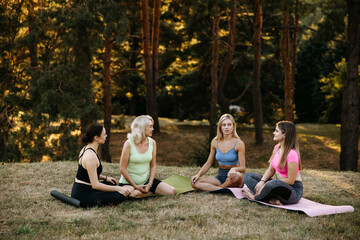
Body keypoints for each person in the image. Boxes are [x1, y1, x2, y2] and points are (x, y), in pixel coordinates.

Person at [71, 123, 132, 208]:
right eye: (104, 134)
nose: (106, 136)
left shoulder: (87, 148)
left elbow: (87, 174)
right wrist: (119, 188)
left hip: (86, 189)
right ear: (96, 138)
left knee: (112, 183)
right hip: (83, 196)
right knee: (120, 195)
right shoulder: (90, 157)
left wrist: (105, 178)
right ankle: (109, 203)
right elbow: (95, 185)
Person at [242, 121, 303, 205]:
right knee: (248, 176)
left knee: (272, 183)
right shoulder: (277, 148)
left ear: (284, 135)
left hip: (292, 192)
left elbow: (291, 181)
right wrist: (262, 181)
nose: (274, 133)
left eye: (277, 131)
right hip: (276, 186)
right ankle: (270, 199)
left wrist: (267, 184)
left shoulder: (292, 154)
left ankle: (254, 197)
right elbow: (271, 169)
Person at [119, 115, 176, 197]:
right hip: (129, 183)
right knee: (131, 194)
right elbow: (122, 169)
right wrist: (136, 186)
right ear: (141, 128)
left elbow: (153, 165)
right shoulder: (128, 144)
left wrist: (150, 184)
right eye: (150, 126)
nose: (153, 129)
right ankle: (146, 192)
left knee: (172, 191)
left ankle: (147, 192)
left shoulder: (152, 143)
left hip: (146, 182)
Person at [191, 114, 246, 191]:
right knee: (194, 183)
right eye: (224, 125)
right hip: (220, 176)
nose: (226, 127)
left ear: (233, 126)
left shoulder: (239, 143)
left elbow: (243, 168)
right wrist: (198, 174)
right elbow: (208, 163)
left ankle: (218, 188)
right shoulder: (214, 141)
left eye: (229, 125)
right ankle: (222, 189)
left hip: (233, 177)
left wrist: (233, 169)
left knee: (237, 177)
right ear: (220, 127)